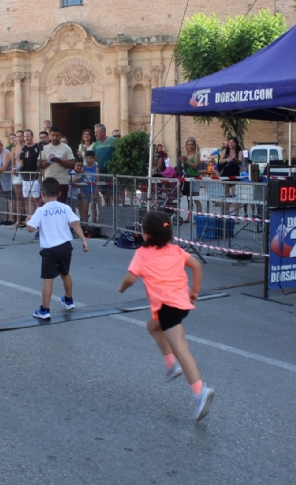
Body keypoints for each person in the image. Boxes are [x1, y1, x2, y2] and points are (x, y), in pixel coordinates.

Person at [117, 210, 214, 421]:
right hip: (181, 304)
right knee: (152, 326)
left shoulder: (142, 254)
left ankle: (200, 391)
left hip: (167, 306)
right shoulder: (175, 250)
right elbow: (196, 265)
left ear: (146, 234)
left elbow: (131, 279)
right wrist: (195, 290)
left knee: (181, 348)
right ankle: (170, 364)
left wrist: (122, 288)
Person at [27, 177, 89, 320]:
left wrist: (27, 221)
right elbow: (74, 223)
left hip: (50, 249)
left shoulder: (41, 210)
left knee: (48, 279)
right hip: (65, 247)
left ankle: (45, 310)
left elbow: (31, 228)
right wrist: (83, 240)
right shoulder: (65, 208)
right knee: (65, 273)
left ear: (42, 194)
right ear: (59, 193)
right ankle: (69, 299)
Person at [39, 125, 76, 204]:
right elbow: (39, 165)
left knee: (60, 205)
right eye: (53, 135)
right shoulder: (45, 148)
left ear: (61, 135)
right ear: (50, 135)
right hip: (48, 181)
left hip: (62, 182)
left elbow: (73, 164)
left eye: (57, 135)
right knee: (45, 206)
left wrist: (59, 161)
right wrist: (48, 161)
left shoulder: (66, 148)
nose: (55, 138)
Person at [90, 123, 119, 205]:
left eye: (96, 132)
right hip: (102, 175)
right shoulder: (95, 145)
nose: (95, 134)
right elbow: (93, 157)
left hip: (113, 174)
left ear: (103, 132)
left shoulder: (113, 141)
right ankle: (108, 212)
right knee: (105, 196)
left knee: (114, 195)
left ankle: (116, 214)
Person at [19, 130, 41, 226]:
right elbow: (21, 161)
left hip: (35, 178)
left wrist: (39, 176)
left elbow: (40, 162)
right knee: (27, 199)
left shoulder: (37, 147)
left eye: (28, 136)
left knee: (36, 199)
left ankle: (37, 218)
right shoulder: (24, 148)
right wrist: (18, 164)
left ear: (32, 136)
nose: (26, 138)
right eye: (25, 136)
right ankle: (29, 217)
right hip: (25, 178)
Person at [0, 139, 15, 225]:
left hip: (9, 180)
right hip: (3, 181)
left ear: (2, 145)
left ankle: (12, 219)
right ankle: (9, 217)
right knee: (8, 199)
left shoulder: (6, 153)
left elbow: (4, 167)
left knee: (11, 199)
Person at [179, 137, 202, 214]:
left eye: (192, 145)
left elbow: (195, 165)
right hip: (188, 178)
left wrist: (186, 161)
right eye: (188, 145)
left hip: (195, 178)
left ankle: (199, 216)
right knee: (189, 199)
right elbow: (186, 167)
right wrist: (183, 162)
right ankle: (189, 217)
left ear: (195, 145)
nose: (190, 146)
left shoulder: (196, 154)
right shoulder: (187, 155)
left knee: (196, 199)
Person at [77, 150, 100, 223]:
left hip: (93, 191)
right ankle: (86, 225)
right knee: (85, 208)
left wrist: (96, 193)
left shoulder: (96, 169)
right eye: (87, 158)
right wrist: (82, 191)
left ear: (94, 158)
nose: (88, 160)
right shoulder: (84, 168)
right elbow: (81, 180)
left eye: (90, 158)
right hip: (85, 191)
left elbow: (98, 182)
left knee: (93, 208)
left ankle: (94, 223)